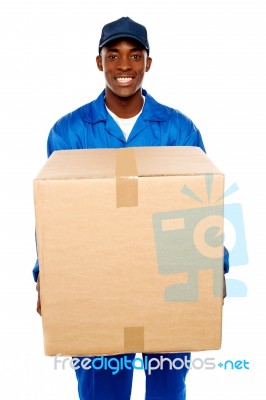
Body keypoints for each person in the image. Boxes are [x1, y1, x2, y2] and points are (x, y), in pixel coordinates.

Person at [34, 16, 229, 400]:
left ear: (148, 63)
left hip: (168, 278)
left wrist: (215, 268)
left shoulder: (178, 129)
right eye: (114, 55)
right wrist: (47, 277)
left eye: (135, 55)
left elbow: (201, 204)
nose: (124, 66)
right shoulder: (70, 132)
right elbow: (52, 215)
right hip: (95, 281)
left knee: (168, 387)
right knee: (101, 387)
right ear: (99, 62)